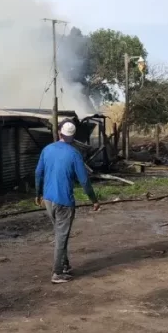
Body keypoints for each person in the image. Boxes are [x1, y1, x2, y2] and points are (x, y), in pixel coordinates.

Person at [35, 120, 100, 284]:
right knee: (61, 237)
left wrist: (38, 194)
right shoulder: (74, 154)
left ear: (59, 133)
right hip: (64, 201)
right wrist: (94, 200)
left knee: (59, 233)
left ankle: (64, 265)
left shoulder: (47, 149)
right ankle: (57, 272)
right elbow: (84, 181)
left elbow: (38, 173)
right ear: (73, 137)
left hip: (48, 199)